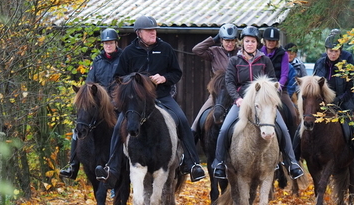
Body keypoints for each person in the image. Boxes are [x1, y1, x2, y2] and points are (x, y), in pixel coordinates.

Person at [95, 16, 206, 185]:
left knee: (182, 120)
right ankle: (112, 167)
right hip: (137, 101)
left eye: (154, 30)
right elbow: (118, 77)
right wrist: (138, 79)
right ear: (139, 33)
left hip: (161, 96)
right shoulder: (129, 52)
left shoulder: (166, 49)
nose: (153, 32)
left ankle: (192, 164)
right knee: (119, 125)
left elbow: (176, 73)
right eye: (149, 30)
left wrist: (164, 78)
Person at [210, 26, 304, 182]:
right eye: (247, 41)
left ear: (257, 43)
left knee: (283, 128)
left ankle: (292, 162)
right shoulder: (234, 61)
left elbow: (273, 80)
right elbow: (229, 82)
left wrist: (271, 96)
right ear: (242, 43)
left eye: (252, 41)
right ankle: (219, 162)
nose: (249, 44)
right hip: (242, 102)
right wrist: (237, 98)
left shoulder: (265, 60)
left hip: (262, 103)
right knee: (225, 128)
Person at [60, 28, 123, 180]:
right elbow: (89, 84)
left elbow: (125, 82)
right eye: (105, 43)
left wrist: (116, 101)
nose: (108, 46)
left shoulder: (124, 59)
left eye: (110, 43)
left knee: (125, 128)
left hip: (117, 105)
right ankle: (73, 165)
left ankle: (126, 164)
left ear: (116, 43)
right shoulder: (98, 61)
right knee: (79, 129)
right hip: (100, 107)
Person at [312, 30, 354, 168]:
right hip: (323, 103)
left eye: (335, 51)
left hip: (343, 101)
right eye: (330, 51)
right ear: (326, 50)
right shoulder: (320, 63)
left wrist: (338, 101)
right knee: (305, 122)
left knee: (351, 126)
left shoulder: (346, 63)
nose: (332, 53)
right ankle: (296, 155)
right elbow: (314, 84)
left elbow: (350, 87)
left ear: (340, 51)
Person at [190, 23, 239, 140]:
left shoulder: (241, 53)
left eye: (232, 40)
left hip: (237, 94)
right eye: (226, 40)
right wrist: (213, 39)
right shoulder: (214, 52)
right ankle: (189, 152)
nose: (230, 44)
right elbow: (196, 50)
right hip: (218, 95)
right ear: (221, 40)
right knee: (197, 122)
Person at [261, 27, 298, 137]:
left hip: (280, 90)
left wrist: (278, 87)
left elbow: (284, 74)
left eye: (273, 41)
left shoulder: (283, 54)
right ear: (265, 41)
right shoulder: (258, 52)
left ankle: (292, 144)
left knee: (293, 115)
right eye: (269, 40)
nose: (271, 43)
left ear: (277, 42)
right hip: (262, 90)